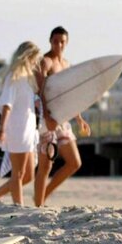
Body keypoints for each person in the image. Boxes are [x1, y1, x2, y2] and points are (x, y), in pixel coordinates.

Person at [34, 26, 90, 207]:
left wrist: (79, 118)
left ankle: (41, 199)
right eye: (56, 41)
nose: (59, 45)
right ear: (50, 41)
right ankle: (38, 206)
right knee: (46, 166)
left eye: (62, 41)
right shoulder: (45, 62)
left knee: (74, 162)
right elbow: (40, 92)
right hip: (47, 117)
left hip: (63, 118)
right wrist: (47, 116)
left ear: (67, 43)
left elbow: (71, 96)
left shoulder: (66, 65)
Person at [0, 41, 41, 206]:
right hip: (17, 129)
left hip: (29, 131)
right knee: (18, 174)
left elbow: (25, 101)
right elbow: (7, 104)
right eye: (34, 59)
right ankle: (18, 206)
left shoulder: (28, 79)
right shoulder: (13, 76)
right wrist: (2, 128)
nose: (36, 63)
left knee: (29, 174)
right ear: (27, 57)